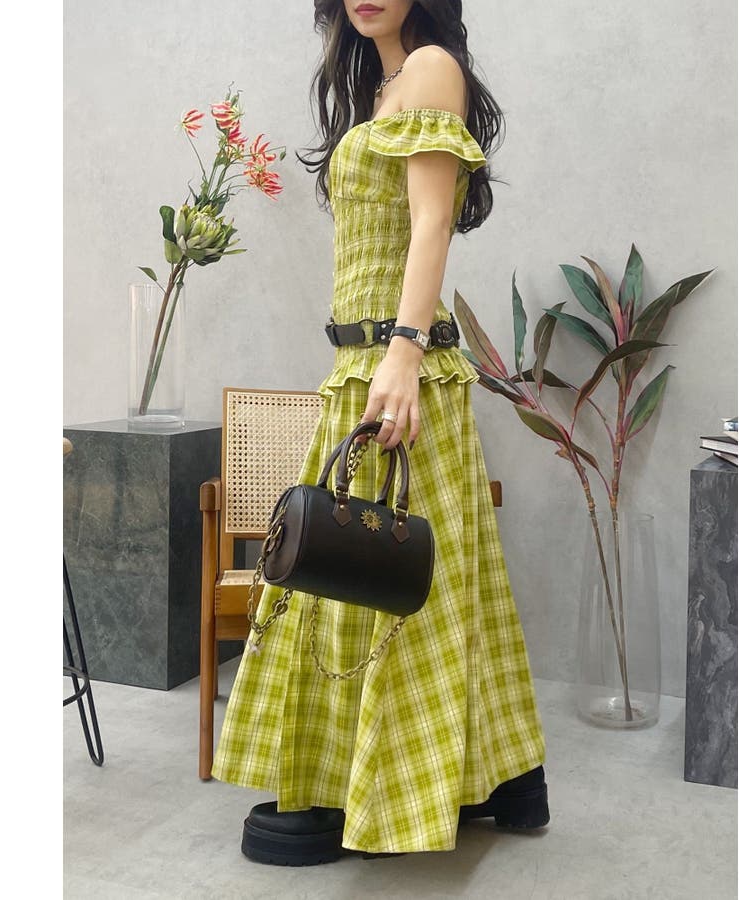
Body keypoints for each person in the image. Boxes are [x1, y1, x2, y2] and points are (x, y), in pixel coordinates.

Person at [211, 0, 548, 865]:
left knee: (382, 580)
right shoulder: (381, 86)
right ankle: (491, 779)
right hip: (362, 364)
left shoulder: (431, 68)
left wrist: (401, 353)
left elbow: (432, 223)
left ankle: (380, 792)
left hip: (397, 367)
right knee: (384, 575)